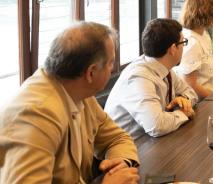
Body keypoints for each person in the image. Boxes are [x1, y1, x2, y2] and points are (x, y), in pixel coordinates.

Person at [0, 22, 139, 183]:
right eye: (110, 63)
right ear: (91, 73)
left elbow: (117, 138)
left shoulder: (79, 93)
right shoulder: (34, 115)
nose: (113, 69)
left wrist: (120, 163)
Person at [105, 18, 198, 140]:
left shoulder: (165, 69)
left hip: (153, 141)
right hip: (127, 150)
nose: (184, 48)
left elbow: (191, 94)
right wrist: (183, 113)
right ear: (173, 49)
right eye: (183, 42)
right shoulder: (138, 78)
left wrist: (183, 101)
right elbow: (156, 126)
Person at [174, 0, 213, 100]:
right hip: (202, 102)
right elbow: (190, 84)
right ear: (206, 13)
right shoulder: (191, 42)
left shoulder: (204, 34)